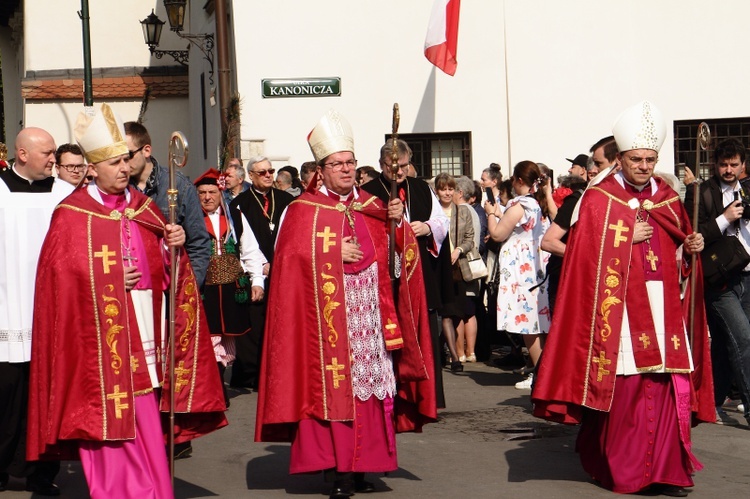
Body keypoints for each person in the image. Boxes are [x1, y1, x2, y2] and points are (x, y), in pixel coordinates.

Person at [26, 104, 227, 499]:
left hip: (145, 328)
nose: (124, 168)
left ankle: (152, 487)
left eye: (126, 161)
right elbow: (59, 281)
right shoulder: (72, 215)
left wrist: (174, 249)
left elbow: (166, 275)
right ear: (93, 168)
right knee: (105, 417)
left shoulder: (145, 208)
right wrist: (108, 278)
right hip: (95, 342)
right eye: (115, 162)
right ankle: (117, 490)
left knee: (146, 415)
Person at [533, 101, 715, 496]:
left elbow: (681, 253)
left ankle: (666, 469)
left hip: (663, 307)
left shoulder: (667, 196)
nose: (645, 166)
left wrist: (691, 248)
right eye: (637, 159)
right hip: (621, 317)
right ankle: (627, 470)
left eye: (651, 159)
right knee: (628, 392)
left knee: (666, 388)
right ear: (621, 157)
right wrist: (621, 238)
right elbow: (578, 252)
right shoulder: (599, 198)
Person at [255, 109, 436, 499]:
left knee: (371, 392)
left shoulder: (374, 204)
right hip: (325, 324)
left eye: (351, 162)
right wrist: (331, 252)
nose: (346, 169)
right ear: (321, 170)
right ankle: (338, 469)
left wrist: (398, 226)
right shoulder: (302, 210)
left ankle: (362, 466)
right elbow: (287, 262)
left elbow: (398, 262)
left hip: (370, 316)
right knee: (333, 391)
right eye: (337, 164)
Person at [0, 127, 73, 496]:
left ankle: (42, 474)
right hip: (5, 310)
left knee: (46, 398)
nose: (53, 158)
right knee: (7, 394)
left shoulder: (67, 195)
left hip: (52, 312)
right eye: (47, 152)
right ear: (22, 154)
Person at [361, 139, 451, 402]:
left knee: (423, 330)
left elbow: (441, 220)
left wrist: (428, 227)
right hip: (386, 275)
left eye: (403, 166)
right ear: (381, 165)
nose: (399, 172)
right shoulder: (367, 192)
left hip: (418, 271)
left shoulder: (421, 187)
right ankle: (390, 393)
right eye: (393, 167)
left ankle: (425, 396)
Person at [684, 137, 750, 426]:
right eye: (723, 164)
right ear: (714, 165)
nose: (728, 170)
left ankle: (711, 403)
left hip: (748, 276)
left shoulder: (748, 189)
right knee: (745, 340)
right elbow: (691, 233)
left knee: (726, 343)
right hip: (719, 279)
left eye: (733, 164)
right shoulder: (701, 192)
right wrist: (725, 218)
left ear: (742, 165)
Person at [194, 168, 267, 408]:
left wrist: (257, 280)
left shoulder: (234, 216)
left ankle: (218, 374)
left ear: (220, 192)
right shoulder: (191, 218)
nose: (207, 197)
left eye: (211, 192)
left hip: (232, 287)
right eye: (202, 192)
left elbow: (250, 249)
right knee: (210, 335)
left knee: (229, 337)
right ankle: (216, 386)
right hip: (205, 287)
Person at [228, 156, 294, 389]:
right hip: (253, 273)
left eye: (271, 171)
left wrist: (281, 262)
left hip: (284, 270)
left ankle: (277, 373)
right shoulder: (239, 204)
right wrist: (261, 265)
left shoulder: (288, 200)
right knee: (254, 326)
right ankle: (251, 374)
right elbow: (238, 242)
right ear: (251, 176)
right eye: (262, 172)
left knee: (281, 324)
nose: (268, 175)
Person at [486, 161, 551, 390]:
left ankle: (539, 373)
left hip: (522, 270)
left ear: (519, 181)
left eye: (513, 179)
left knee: (529, 326)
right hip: (537, 266)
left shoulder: (520, 206)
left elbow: (497, 233)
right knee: (539, 322)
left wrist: (491, 214)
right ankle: (542, 371)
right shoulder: (540, 203)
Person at [125, 121, 211, 287]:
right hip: (136, 288)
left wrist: (188, 287)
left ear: (146, 150)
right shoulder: (121, 188)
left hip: (170, 286)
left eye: (128, 155)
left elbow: (198, 244)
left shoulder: (179, 185)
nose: (123, 163)